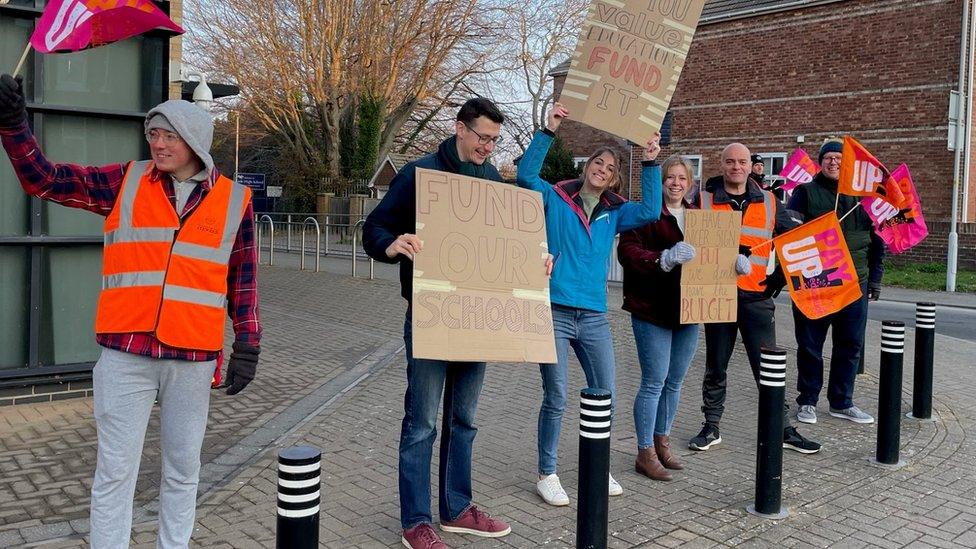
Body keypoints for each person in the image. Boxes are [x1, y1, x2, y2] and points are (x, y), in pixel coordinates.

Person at [0, 74, 261, 546]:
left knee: (183, 469)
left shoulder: (234, 202)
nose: (157, 144)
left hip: (192, 357)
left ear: (196, 142)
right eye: (153, 134)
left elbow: (242, 281)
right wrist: (14, 125)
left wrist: (249, 342)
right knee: (115, 470)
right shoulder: (127, 181)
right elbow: (45, 180)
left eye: (169, 136)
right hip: (126, 353)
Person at [363, 98, 517, 549]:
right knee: (422, 422)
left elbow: (504, 248)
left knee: (464, 418)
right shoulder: (418, 176)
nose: (489, 147)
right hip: (432, 315)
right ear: (459, 129)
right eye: (484, 137)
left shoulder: (492, 180)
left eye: (495, 139)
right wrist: (393, 245)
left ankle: (456, 508)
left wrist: (533, 262)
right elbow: (374, 228)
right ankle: (416, 521)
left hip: (478, 318)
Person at [518, 102, 662, 506]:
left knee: (605, 392)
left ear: (615, 178)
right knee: (558, 396)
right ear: (587, 167)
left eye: (610, 167)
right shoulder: (556, 197)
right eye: (597, 162)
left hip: (594, 316)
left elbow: (651, 210)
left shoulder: (614, 213)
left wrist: (650, 161)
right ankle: (547, 472)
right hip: (556, 312)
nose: (602, 168)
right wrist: (548, 131)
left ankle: (597, 466)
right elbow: (527, 176)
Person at [689, 142, 821, 455]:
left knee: (768, 368)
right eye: (730, 162)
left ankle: (784, 429)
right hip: (716, 297)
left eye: (742, 162)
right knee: (715, 366)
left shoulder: (772, 202)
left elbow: (796, 241)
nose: (736, 167)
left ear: (751, 166)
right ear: (721, 164)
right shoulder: (703, 200)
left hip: (757, 298)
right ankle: (711, 425)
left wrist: (781, 277)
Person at [788, 138, 885, 425]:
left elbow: (878, 243)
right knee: (810, 344)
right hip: (816, 282)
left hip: (856, 282)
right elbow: (789, 234)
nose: (834, 163)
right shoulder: (804, 193)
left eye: (839, 159)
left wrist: (876, 281)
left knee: (851, 343)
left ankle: (842, 402)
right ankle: (807, 400)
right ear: (821, 162)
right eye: (829, 158)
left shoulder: (864, 199)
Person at [617, 155, 700, 481]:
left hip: (688, 311)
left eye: (682, 178)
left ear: (689, 183)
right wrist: (661, 259)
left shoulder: (697, 216)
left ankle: (661, 440)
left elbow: (711, 253)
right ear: (660, 181)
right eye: (670, 177)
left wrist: (729, 264)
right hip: (651, 309)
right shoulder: (644, 213)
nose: (676, 183)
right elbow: (628, 253)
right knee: (654, 382)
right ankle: (644, 452)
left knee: (674, 382)